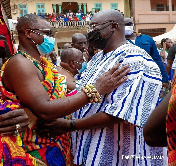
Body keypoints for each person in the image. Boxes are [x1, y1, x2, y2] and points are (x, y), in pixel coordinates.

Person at [0, 14, 130, 165]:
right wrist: (95, 89)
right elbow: (45, 110)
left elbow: (70, 86)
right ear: (29, 33)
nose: (51, 38)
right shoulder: (20, 64)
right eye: (47, 33)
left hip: (54, 144)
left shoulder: (43, 64)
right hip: (31, 150)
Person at [38, 10, 167, 165]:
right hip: (89, 148)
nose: (90, 33)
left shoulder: (135, 60)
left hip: (119, 154)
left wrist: (70, 125)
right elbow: (81, 89)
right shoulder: (98, 58)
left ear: (113, 26)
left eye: (94, 27)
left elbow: (119, 113)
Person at [124, 17, 169, 88]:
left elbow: (157, 59)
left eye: (128, 24)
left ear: (133, 25)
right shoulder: (119, 42)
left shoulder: (147, 39)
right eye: (123, 25)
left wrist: (164, 78)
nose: (126, 26)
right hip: (128, 79)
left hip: (148, 77)